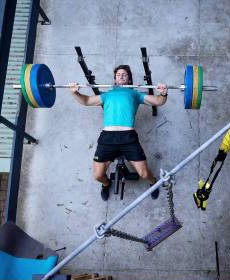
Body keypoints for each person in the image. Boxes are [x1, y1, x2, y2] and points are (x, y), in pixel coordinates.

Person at [69, 65, 168, 200]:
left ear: (128, 80)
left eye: (124, 74)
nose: (121, 76)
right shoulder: (106, 95)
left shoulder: (135, 94)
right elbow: (86, 101)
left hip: (128, 137)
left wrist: (163, 93)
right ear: (115, 79)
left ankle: (153, 182)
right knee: (98, 176)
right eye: (118, 74)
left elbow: (158, 101)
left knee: (144, 174)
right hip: (107, 138)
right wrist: (75, 92)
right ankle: (106, 183)